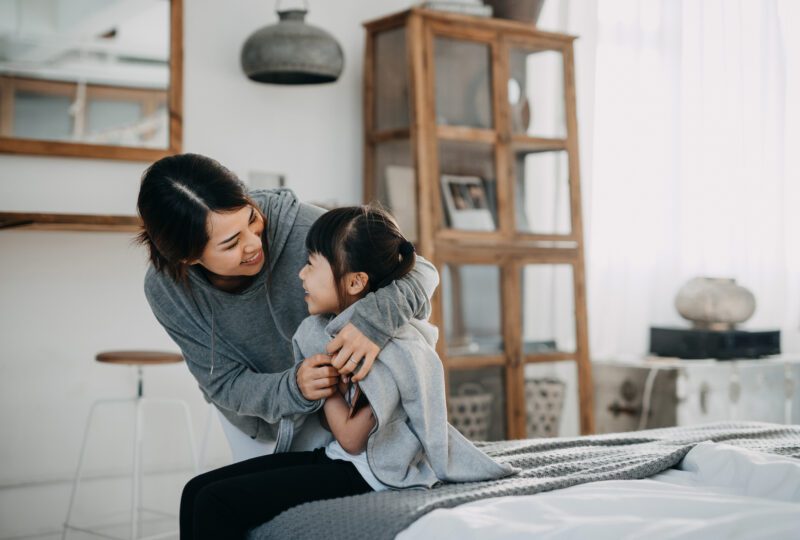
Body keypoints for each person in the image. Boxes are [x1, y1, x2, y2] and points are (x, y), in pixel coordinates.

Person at [179, 206, 517, 539]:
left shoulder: (383, 349)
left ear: (355, 281)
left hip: (369, 472)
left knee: (214, 502)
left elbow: (353, 439)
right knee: (195, 490)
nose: (301, 275)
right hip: (340, 460)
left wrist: (325, 388)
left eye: (311, 265)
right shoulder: (333, 332)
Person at [137, 153, 439, 461]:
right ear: (188, 258)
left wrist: (371, 324)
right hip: (260, 424)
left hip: (343, 411)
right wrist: (294, 386)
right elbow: (224, 384)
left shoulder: (304, 226)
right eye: (231, 244)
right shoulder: (166, 290)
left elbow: (421, 271)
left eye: (251, 219)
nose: (253, 243)